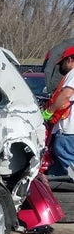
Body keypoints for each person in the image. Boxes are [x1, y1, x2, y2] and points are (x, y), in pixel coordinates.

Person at [41, 45, 74, 178]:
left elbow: (66, 94)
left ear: (69, 60)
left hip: (69, 130)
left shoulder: (73, 73)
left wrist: (49, 111)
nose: (61, 68)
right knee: (58, 168)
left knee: (64, 154)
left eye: (62, 63)